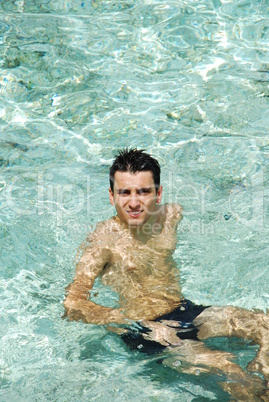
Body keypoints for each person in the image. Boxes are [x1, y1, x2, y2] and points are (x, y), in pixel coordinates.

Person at [64, 148, 269, 400]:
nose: (134, 202)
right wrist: (128, 319)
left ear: (158, 193)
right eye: (124, 192)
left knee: (265, 324)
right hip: (148, 330)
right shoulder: (102, 243)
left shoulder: (170, 216)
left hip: (185, 311)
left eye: (143, 191)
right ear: (111, 196)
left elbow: (216, 205)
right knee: (232, 371)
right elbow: (73, 304)